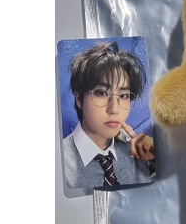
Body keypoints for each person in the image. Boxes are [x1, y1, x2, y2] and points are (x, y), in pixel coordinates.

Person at [62, 41, 155, 188]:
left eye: (123, 96)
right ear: (79, 98)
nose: (114, 109)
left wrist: (158, 158)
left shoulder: (141, 153)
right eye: (102, 93)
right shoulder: (59, 163)